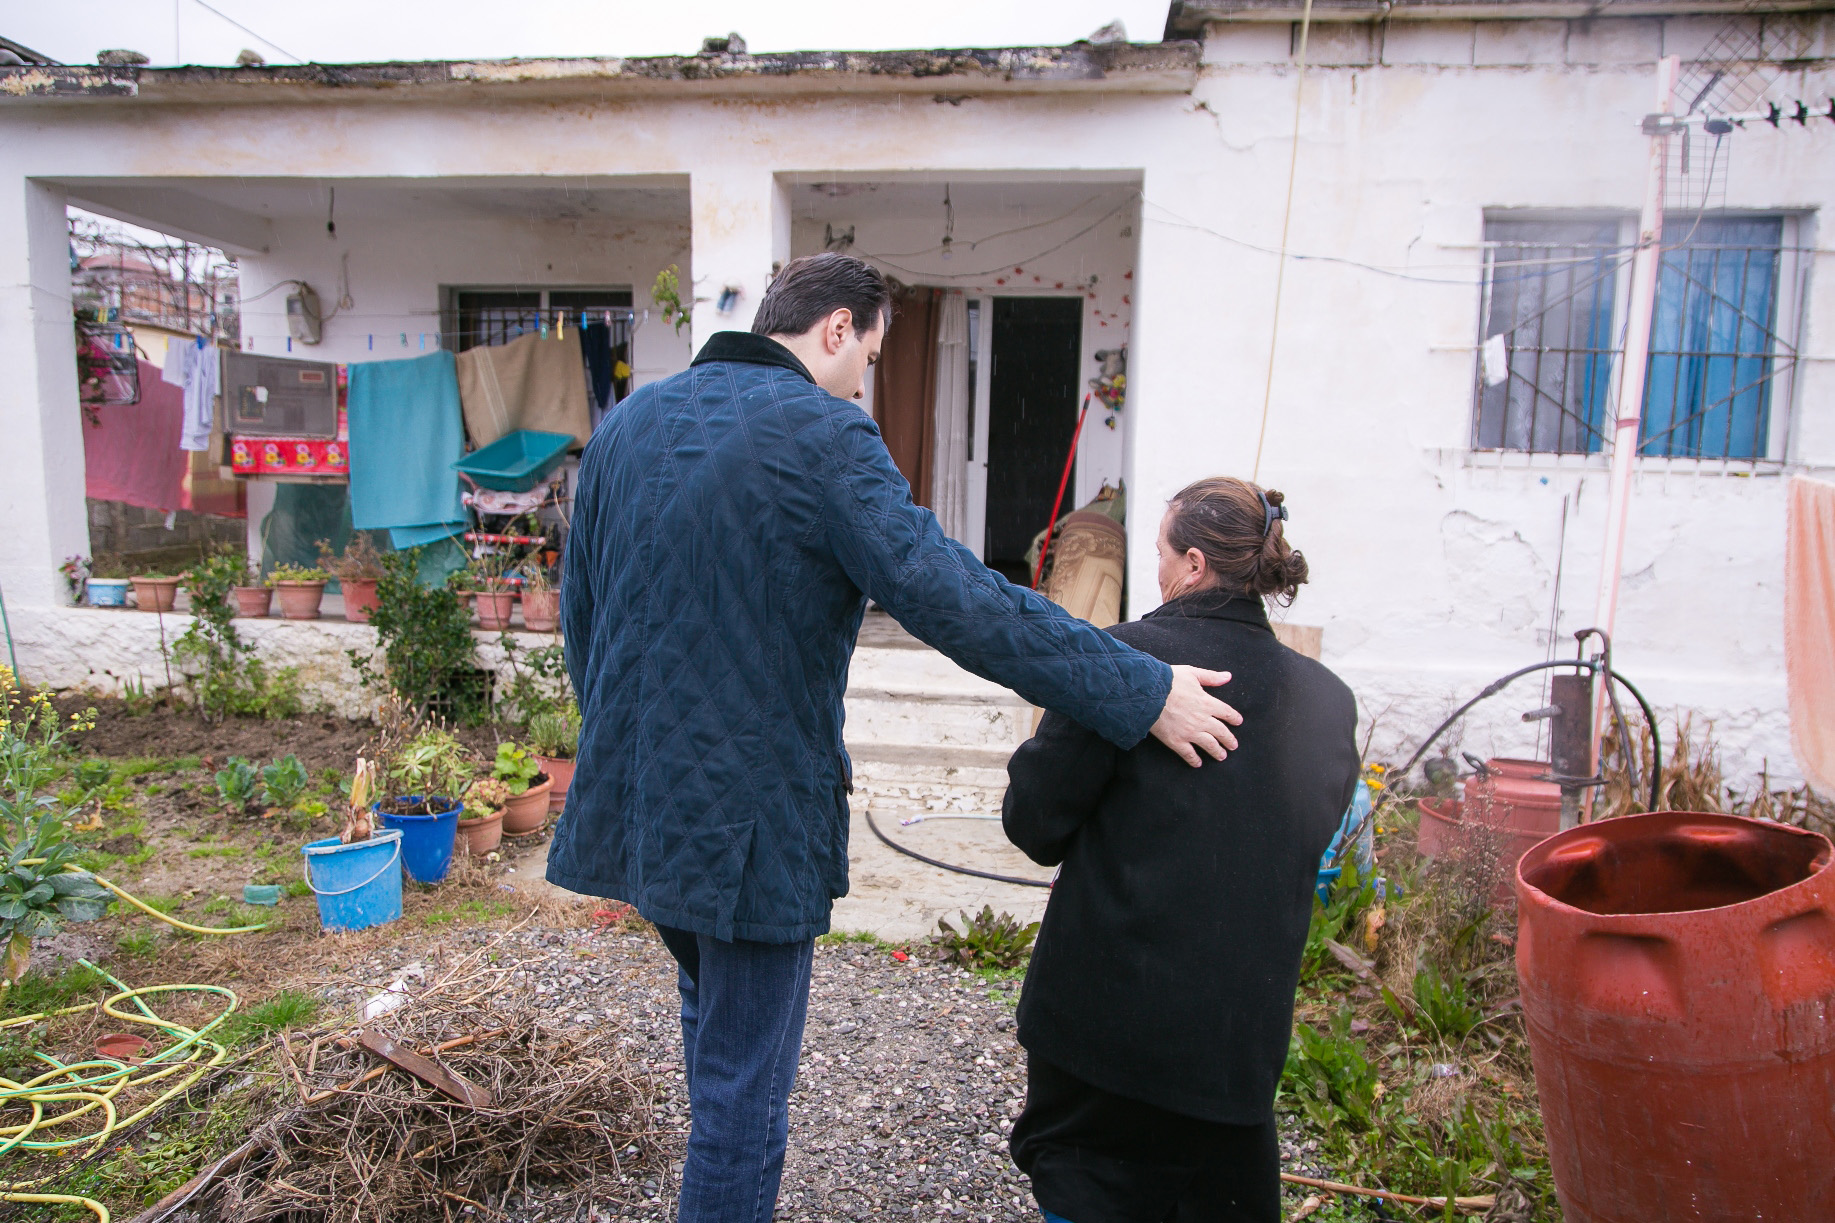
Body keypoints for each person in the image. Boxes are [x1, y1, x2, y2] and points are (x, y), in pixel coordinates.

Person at [550, 252, 1245, 1223]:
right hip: (750, 824)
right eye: (869, 356)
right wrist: (1136, 687)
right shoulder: (823, 435)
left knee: (717, 1050)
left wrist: (628, 747)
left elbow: (579, 618)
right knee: (739, 1106)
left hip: (637, 805)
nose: (863, 380)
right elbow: (954, 597)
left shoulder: (623, 428)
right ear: (835, 328)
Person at [1004, 477, 1361, 1223]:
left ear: (1193, 563)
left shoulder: (1121, 657)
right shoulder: (1327, 702)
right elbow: (1305, 841)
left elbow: (1033, 825)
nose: (1158, 572)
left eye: (1161, 553)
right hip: (1233, 1043)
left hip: (1100, 1031)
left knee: (1090, 1192)